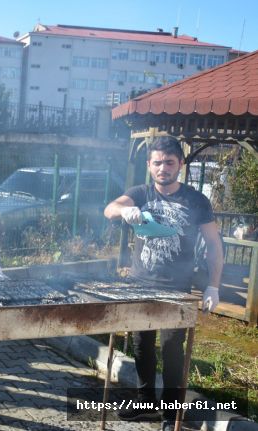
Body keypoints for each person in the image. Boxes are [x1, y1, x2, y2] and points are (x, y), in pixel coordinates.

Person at [104, 136, 223, 431]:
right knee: (142, 345)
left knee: (172, 349)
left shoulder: (196, 200)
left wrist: (214, 285)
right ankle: (145, 402)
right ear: (149, 165)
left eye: (169, 162)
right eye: (157, 162)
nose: (163, 168)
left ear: (179, 165)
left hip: (177, 286)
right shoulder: (140, 193)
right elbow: (109, 209)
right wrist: (124, 211)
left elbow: (214, 244)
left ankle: (171, 414)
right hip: (140, 284)